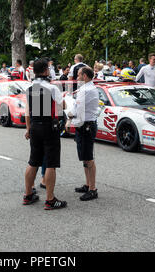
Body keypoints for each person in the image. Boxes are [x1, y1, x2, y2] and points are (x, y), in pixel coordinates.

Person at [24, 59, 67, 210]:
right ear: (45, 71)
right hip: (49, 126)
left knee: (33, 161)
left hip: (35, 126)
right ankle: (50, 199)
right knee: (50, 163)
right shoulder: (52, 88)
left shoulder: (30, 88)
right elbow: (63, 106)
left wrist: (28, 129)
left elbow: (28, 113)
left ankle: (28, 194)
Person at [67, 66, 100, 201]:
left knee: (88, 157)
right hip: (86, 124)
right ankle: (88, 185)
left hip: (86, 125)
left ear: (85, 76)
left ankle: (92, 189)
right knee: (85, 157)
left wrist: (68, 119)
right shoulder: (86, 88)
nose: (77, 77)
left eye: (79, 75)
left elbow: (77, 109)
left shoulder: (86, 90)